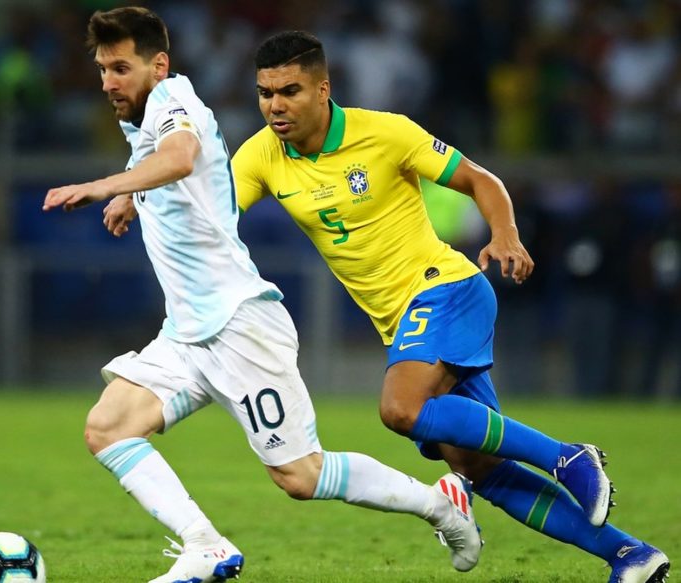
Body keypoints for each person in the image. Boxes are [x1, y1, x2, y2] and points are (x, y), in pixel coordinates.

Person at [45, 9, 481, 582]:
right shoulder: (145, 116)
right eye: (103, 69)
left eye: (121, 68)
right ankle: (204, 545)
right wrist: (131, 193)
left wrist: (103, 186)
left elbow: (179, 155)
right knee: (107, 428)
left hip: (238, 326)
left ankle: (439, 505)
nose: (108, 82)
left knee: (301, 476)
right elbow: (158, 155)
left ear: (159, 65)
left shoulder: (176, 103)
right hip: (187, 333)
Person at [226, 30, 667, 583]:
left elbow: (480, 180)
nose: (275, 106)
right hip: (403, 323)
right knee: (480, 468)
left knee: (400, 409)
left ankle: (567, 457)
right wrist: (136, 193)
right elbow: (212, 215)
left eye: (289, 91)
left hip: (446, 289)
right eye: (265, 93)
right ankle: (630, 555)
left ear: (322, 89)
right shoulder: (261, 154)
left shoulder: (384, 132)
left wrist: (505, 234)